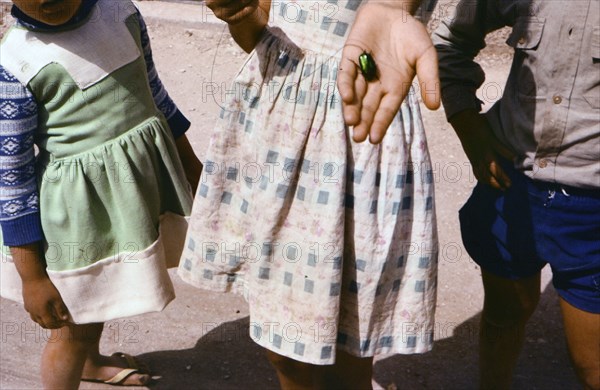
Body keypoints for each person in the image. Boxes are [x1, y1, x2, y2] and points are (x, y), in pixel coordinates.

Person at [179, 0, 439, 388]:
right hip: (277, 130)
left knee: (351, 340)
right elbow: (259, 31)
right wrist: (241, 13)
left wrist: (390, 6)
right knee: (285, 345)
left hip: (360, 122)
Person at [0, 0, 201, 388]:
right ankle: (79, 359)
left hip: (128, 199)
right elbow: (12, 175)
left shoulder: (120, 14)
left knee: (97, 293)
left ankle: (90, 362)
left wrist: (194, 170)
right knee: (71, 329)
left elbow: (155, 95)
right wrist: (32, 277)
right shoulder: (14, 61)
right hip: (78, 218)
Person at [432, 0, 600, 388]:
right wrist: (469, 128)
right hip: (511, 188)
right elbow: (450, 41)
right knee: (503, 316)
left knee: (592, 365)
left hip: (591, 211)